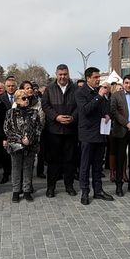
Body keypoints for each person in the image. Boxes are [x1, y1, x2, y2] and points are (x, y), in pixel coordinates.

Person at [76, 67, 114, 205]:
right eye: (96, 77)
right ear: (88, 78)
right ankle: (85, 192)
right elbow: (85, 110)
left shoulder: (101, 93)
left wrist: (108, 115)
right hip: (87, 135)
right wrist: (99, 96)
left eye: (99, 77)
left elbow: (106, 109)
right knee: (85, 165)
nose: (98, 79)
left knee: (98, 165)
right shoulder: (81, 93)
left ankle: (98, 190)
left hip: (101, 133)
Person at [41, 64, 79, 197]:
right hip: (54, 131)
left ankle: (69, 186)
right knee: (53, 161)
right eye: (60, 74)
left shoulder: (75, 89)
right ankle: (50, 187)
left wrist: (73, 117)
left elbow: (79, 106)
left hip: (70, 130)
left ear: (68, 74)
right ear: (56, 74)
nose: (63, 77)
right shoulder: (49, 89)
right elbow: (45, 105)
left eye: (65, 74)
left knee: (70, 160)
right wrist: (56, 117)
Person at [4, 89, 44, 202]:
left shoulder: (34, 112)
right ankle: (16, 191)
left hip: (30, 145)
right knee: (16, 168)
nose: (27, 100)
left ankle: (27, 191)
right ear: (17, 100)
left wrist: (30, 139)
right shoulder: (10, 113)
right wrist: (21, 139)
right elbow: (7, 129)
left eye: (28, 98)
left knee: (28, 168)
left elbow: (38, 128)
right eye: (23, 98)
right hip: (16, 146)